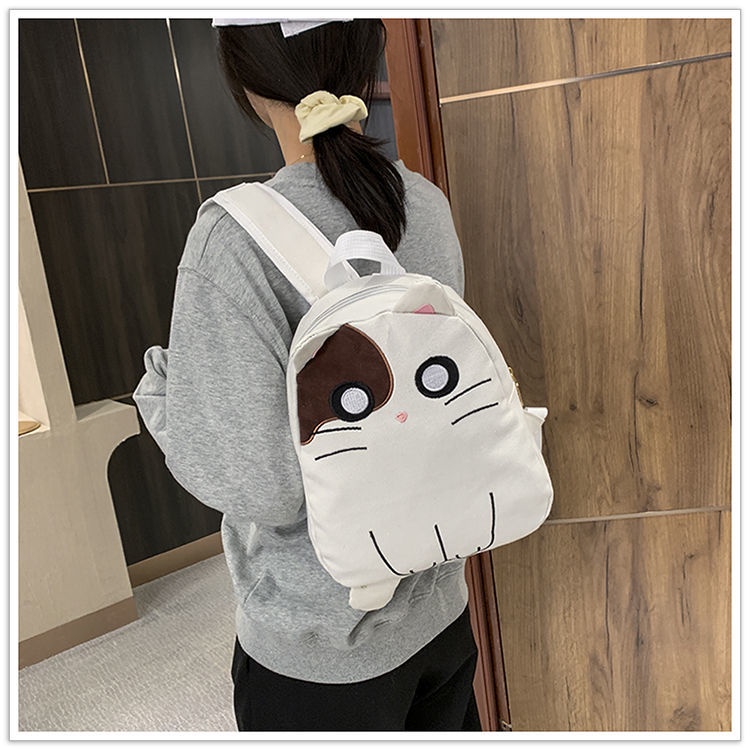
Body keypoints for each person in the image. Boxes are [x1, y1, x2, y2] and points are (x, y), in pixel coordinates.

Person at [133, 17, 480, 732]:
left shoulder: (233, 239)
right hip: (442, 612)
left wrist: (163, 395)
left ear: (243, 79)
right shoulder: (423, 203)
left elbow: (259, 484)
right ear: (363, 56)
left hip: (321, 648)